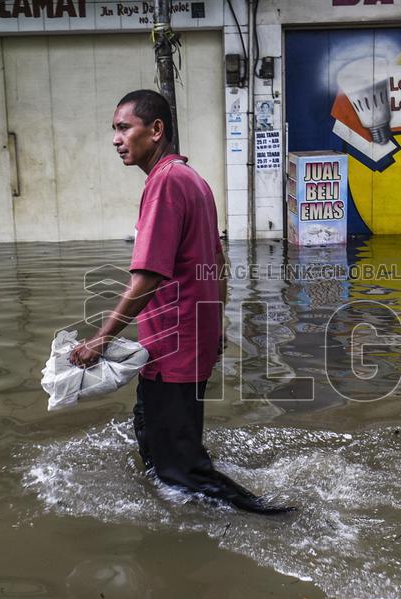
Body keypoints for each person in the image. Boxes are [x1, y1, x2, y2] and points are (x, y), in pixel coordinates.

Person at [69, 89, 292, 515]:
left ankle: (265, 516)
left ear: (155, 130)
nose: (116, 139)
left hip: (175, 347)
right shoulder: (193, 180)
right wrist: (217, 326)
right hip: (183, 340)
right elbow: (217, 263)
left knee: (180, 468)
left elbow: (146, 278)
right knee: (154, 439)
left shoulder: (166, 183)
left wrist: (99, 340)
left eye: (123, 128)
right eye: (114, 130)